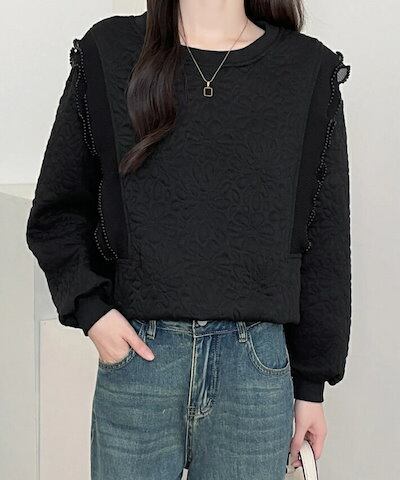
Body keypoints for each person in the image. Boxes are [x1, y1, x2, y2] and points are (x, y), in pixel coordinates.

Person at [26, 1, 352, 479]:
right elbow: (56, 211)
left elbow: (324, 240)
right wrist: (91, 311)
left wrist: (310, 387)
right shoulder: (110, 51)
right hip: (140, 359)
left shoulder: (307, 69)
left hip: (255, 373)